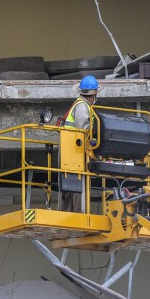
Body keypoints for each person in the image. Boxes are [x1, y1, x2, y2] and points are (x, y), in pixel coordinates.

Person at [58, 75, 100, 212]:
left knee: (69, 184)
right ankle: (78, 213)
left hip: (69, 149)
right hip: (74, 150)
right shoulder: (82, 106)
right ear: (94, 95)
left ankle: (65, 213)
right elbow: (83, 127)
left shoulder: (78, 104)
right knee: (77, 184)